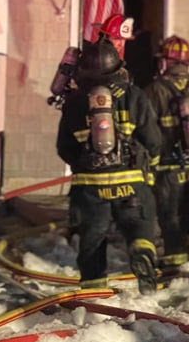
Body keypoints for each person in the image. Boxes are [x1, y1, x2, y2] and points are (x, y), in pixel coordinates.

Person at [55, 36, 162, 292]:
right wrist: (151, 168)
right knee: (139, 225)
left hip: (90, 186)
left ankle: (94, 291)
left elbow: (64, 147)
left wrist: (82, 165)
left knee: (92, 237)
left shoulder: (75, 101)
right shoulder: (134, 96)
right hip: (131, 181)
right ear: (118, 68)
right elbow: (152, 139)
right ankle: (141, 252)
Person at [143, 35, 189, 274]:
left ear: (165, 61)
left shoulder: (155, 90)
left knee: (169, 216)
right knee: (187, 211)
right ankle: (188, 252)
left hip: (169, 169)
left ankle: (175, 265)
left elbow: (145, 127)